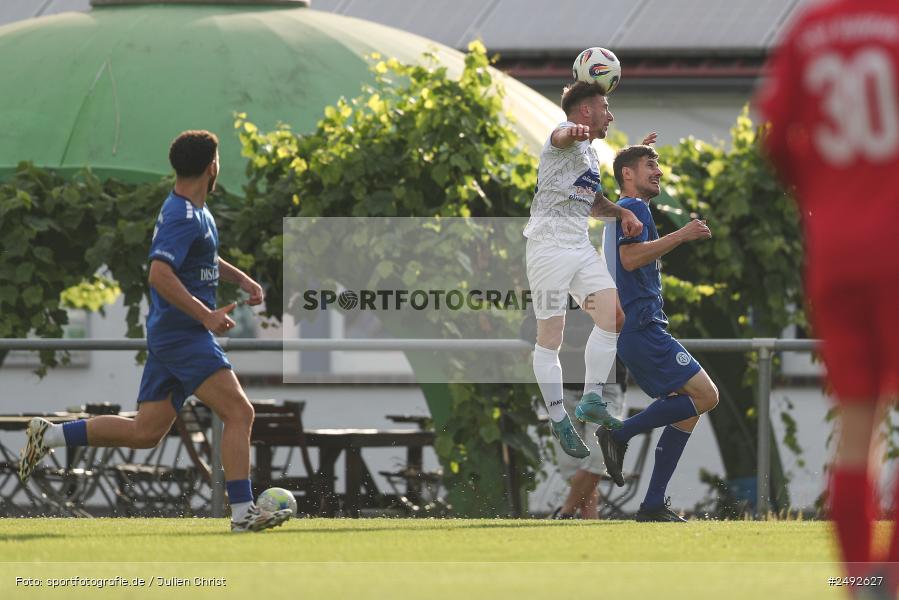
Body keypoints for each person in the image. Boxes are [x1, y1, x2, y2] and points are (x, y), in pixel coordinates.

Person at [17, 130, 291, 533]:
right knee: (239, 412)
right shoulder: (181, 215)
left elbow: (203, 256)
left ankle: (52, 436)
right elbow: (159, 274)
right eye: (219, 160)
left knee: (145, 432)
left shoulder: (197, 212)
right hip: (185, 337)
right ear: (211, 166)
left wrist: (243, 280)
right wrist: (204, 315)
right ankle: (242, 513)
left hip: (172, 336)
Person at [756, 0, 899, 583]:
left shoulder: (811, 29)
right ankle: (891, 576)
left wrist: (826, 195)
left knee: (858, 425)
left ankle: (860, 581)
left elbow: (773, 133)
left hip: (836, 252)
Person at [523, 80, 651, 459]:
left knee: (613, 317)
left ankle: (592, 398)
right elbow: (560, 136)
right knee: (551, 337)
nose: (610, 115)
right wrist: (570, 130)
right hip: (546, 246)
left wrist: (623, 210)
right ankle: (559, 417)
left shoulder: (592, 155)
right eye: (605, 107)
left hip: (578, 246)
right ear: (585, 112)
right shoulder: (564, 139)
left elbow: (593, 202)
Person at [597, 144, 719, 522]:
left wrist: (638, 147)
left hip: (638, 328)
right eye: (651, 165)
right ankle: (619, 433)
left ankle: (652, 504)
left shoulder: (630, 208)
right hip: (642, 326)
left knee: (687, 411)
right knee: (707, 396)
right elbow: (629, 259)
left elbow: (628, 257)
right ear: (627, 175)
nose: (659, 172)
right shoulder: (632, 209)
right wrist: (681, 234)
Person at [522, 304, 628, 519]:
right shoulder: (549, 285)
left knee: (600, 456)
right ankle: (590, 527)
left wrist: (555, 331)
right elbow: (526, 328)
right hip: (563, 388)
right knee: (570, 464)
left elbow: (613, 323)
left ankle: (565, 512)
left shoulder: (605, 280)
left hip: (604, 386)